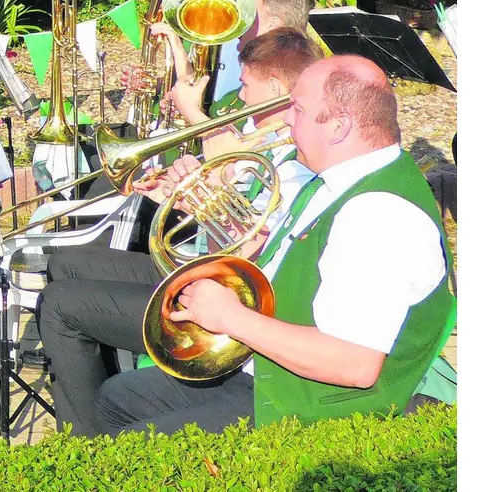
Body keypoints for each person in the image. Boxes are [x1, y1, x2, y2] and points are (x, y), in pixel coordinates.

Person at [92, 55, 452, 437]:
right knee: (117, 398)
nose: (287, 120)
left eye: (298, 109)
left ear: (339, 127)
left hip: (312, 407)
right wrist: (207, 208)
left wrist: (231, 318)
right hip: (272, 371)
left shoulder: (378, 215)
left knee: (134, 439)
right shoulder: (333, 180)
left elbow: (355, 365)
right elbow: (278, 263)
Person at [37, 28, 321, 437]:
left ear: (275, 87)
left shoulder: (293, 165)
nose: (239, 96)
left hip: (223, 293)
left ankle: (84, 442)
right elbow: (239, 230)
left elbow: (253, 254)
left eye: (246, 86)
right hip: (204, 270)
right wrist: (189, 197)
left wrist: (200, 200)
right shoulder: (270, 144)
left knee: (61, 303)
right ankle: (93, 393)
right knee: (66, 265)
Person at [152, 0, 310, 115]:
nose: (237, 19)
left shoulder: (278, 82)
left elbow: (239, 144)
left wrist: (191, 112)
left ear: (273, 25)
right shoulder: (248, 67)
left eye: (248, 12)